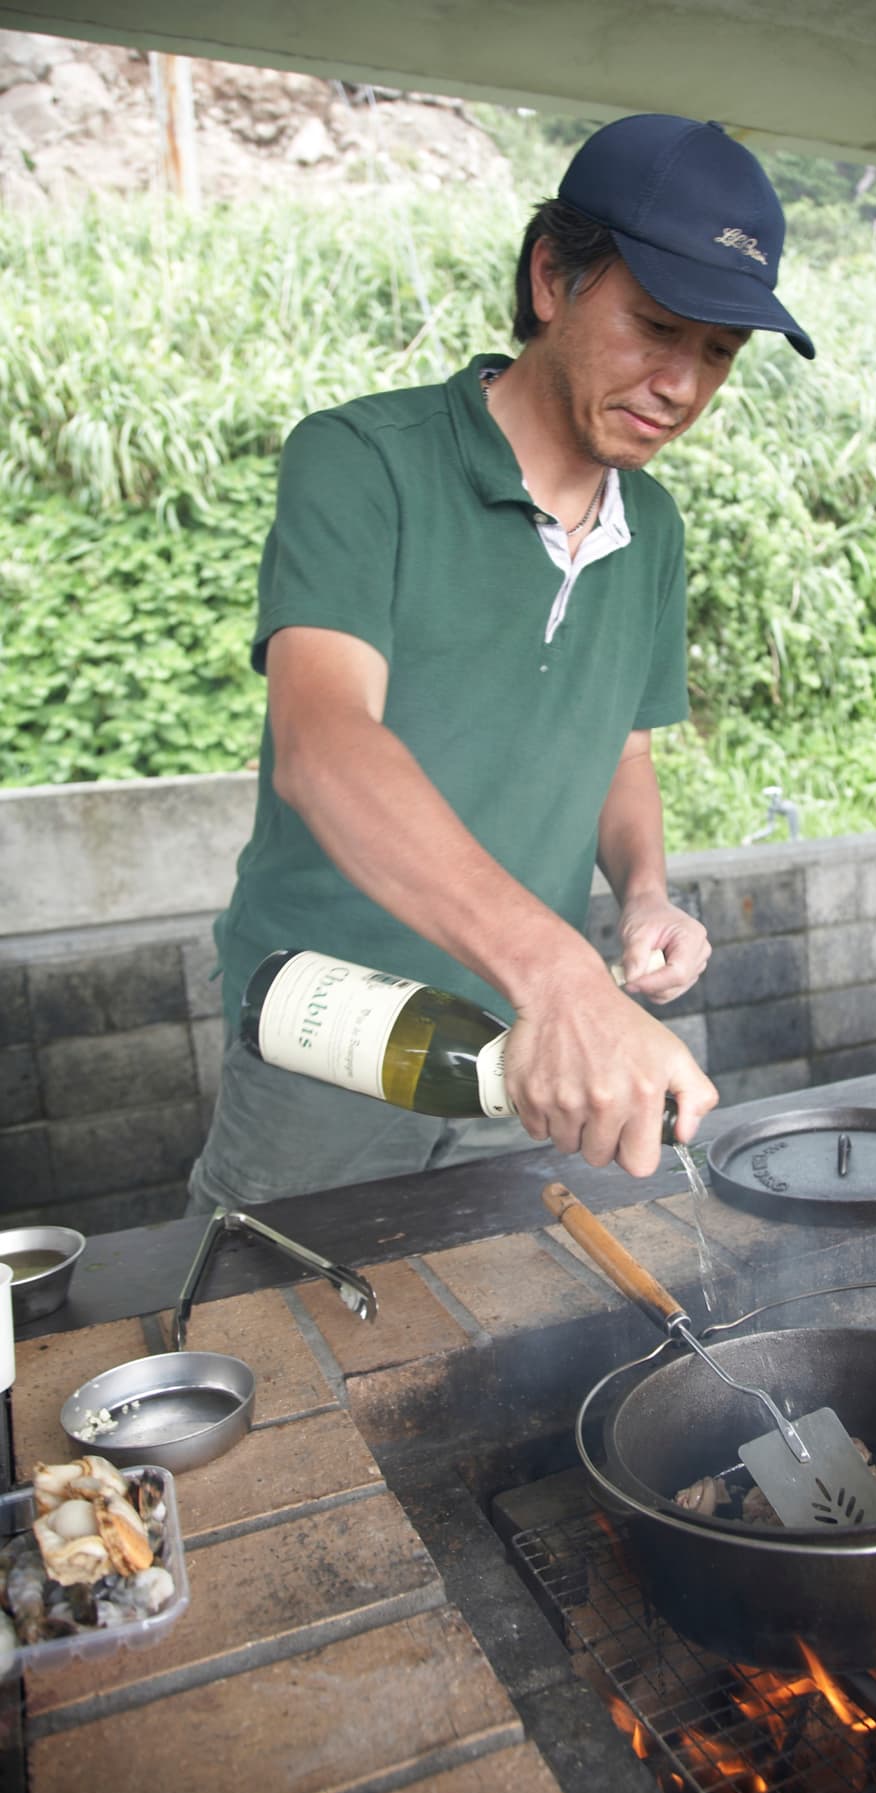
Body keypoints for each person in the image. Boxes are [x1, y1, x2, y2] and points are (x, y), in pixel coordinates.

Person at [186, 112, 814, 1219]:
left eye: (717, 354)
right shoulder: (362, 460)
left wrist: (645, 897)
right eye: (656, 327)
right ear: (549, 279)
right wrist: (564, 975)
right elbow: (325, 747)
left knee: (531, 1336)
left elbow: (620, 747)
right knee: (282, 1332)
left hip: (532, 1047)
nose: (680, 384)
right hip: (341, 1025)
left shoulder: (652, 526)